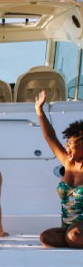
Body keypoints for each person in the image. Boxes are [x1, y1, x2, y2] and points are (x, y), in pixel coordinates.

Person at [34, 90, 83, 247]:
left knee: (74, 236)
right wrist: (40, 111)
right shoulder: (67, 162)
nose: (67, 148)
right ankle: (71, 239)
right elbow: (50, 137)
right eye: (67, 144)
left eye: (71, 144)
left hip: (79, 227)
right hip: (68, 225)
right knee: (46, 237)